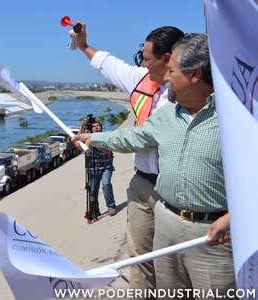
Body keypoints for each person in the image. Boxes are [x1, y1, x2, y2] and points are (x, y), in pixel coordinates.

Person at [72, 33, 235, 295]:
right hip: (166, 222)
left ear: (194, 74)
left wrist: (234, 218)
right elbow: (135, 136)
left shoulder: (236, 116)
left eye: (171, 71)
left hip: (213, 236)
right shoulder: (169, 112)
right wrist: (95, 138)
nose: (166, 78)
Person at [69, 23, 184, 293]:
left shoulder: (186, 92)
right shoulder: (143, 79)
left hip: (173, 190)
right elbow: (110, 64)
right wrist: (84, 45)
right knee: (140, 259)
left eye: (146, 59)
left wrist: (98, 140)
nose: (141, 64)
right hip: (142, 185)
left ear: (167, 60)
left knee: (171, 265)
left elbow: (145, 137)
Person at [79, 119, 116, 219]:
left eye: (98, 126)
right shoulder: (88, 138)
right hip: (92, 168)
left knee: (106, 184)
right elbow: (78, 140)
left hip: (106, 167)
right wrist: (82, 126)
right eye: (93, 126)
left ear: (101, 127)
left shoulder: (106, 137)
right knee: (92, 190)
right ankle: (95, 211)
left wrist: (96, 144)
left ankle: (111, 206)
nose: (96, 127)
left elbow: (108, 152)